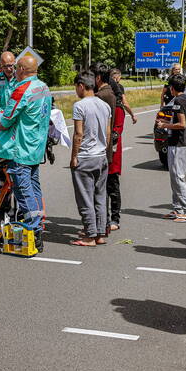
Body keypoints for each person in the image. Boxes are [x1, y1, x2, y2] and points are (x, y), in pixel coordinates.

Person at [0, 54, 52, 250]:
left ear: (20, 69)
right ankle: (38, 225)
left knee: (23, 189)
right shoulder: (44, 87)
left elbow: (6, 119)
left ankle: (33, 230)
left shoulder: (22, 89)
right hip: (36, 147)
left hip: (21, 148)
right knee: (34, 188)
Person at [69, 72, 111, 246]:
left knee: (85, 198)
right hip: (101, 156)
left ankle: (89, 235)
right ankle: (100, 233)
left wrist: (74, 157)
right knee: (100, 196)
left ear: (81, 85)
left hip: (85, 156)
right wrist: (104, 150)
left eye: (76, 87)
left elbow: (78, 134)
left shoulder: (80, 106)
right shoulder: (104, 105)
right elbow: (108, 133)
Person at [156, 74, 186, 222]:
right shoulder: (183, 99)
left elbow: (183, 124)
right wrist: (167, 120)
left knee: (178, 177)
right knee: (174, 176)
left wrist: (164, 125)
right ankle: (178, 209)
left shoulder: (179, 101)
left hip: (179, 143)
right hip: (177, 142)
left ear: (172, 88)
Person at [92, 63, 122, 231]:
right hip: (108, 148)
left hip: (112, 149)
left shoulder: (114, 104)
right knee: (103, 186)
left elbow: (116, 128)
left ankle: (114, 218)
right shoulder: (107, 99)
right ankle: (106, 219)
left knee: (112, 184)